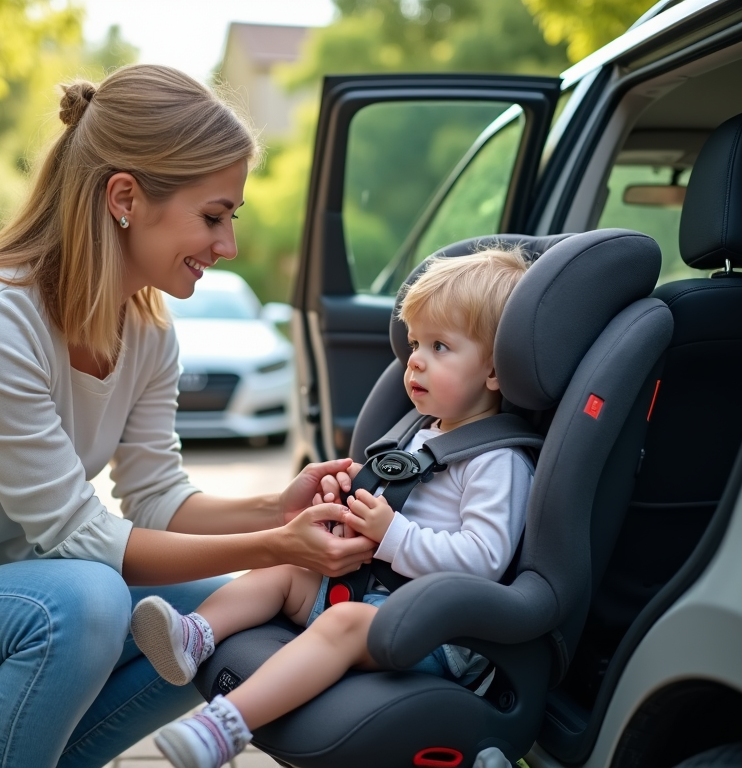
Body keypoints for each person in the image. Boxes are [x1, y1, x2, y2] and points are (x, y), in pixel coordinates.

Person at [0, 64, 377, 768]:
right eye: (213, 216)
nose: (228, 246)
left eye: (231, 220)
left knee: (215, 611)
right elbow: (79, 539)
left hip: (4, 611)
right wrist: (280, 547)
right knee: (87, 597)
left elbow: (154, 498)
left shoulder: (148, 331)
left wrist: (276, 510)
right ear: (124, 196)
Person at [130, 247, 537, 768]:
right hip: (375, 594)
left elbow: (483, 561)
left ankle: (223, 727)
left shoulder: (496, 461)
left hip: (435, 633)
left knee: (340, 622)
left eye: (440, 346)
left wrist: (393, 535)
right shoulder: (420, 434)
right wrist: (346, 514)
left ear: (495, 372)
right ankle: (196, 636)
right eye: (415, 343)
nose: (415, 359)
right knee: (283, 565)